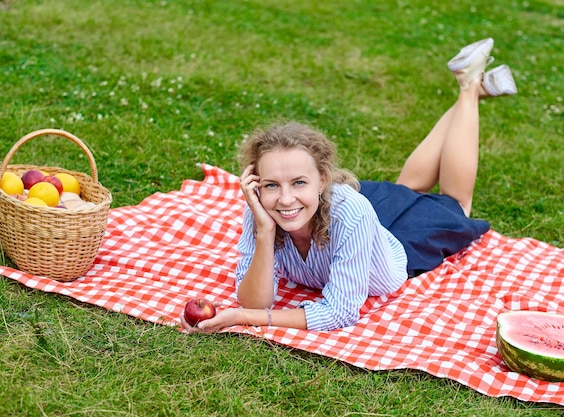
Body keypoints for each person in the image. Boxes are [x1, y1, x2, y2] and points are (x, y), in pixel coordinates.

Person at [181, 38, 517, 333]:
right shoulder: (261, 209)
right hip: (352, 216)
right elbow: (255, 300)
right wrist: (264, 232)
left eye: (299, 181)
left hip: (398, 244)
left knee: (456, 203)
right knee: (408, 187)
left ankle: (469, 89)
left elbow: (340, 313)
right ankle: (472, 89)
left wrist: (245, 317)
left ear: (322, 180)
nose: (284, 199)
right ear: (256, 184)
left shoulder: (349, 210)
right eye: (271, 185)